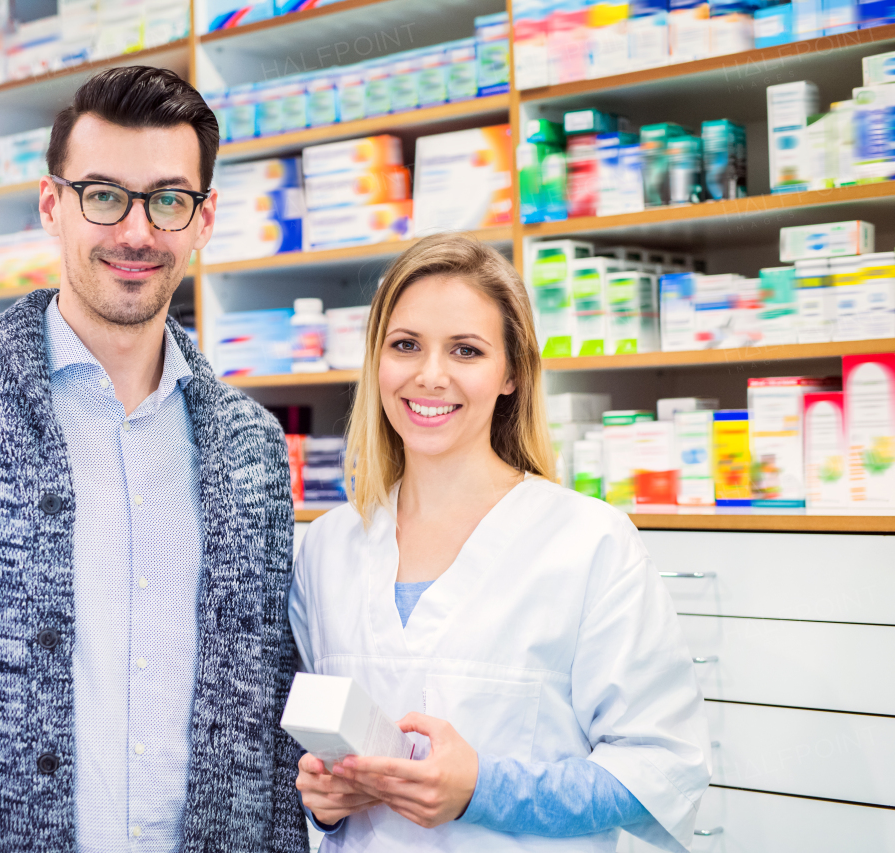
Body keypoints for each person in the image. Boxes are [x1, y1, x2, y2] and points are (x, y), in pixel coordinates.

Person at [0, 66, 308, 853]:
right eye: (104, 194)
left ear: (203, 218)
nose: (135, 232)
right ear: (53, 205)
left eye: (167, 199)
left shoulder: (250, 448)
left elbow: (269, 717)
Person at [290, 234, 711, 852]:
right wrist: (324, 799)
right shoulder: (327, 549)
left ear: (511, 372)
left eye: (466, 350)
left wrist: (481, 788)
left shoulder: (588, 542)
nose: (430, 376)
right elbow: (301, 750)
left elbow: (661, 771)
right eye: (405, 345)